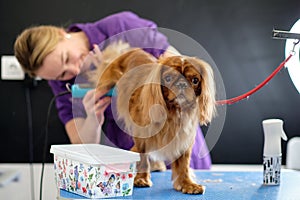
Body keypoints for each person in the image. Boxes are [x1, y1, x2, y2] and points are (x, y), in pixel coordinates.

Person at [14, 11, 211, 169]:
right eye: (62, 75)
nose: (74, 70)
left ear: (61, 34)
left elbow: (182, 78)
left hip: (178, 145)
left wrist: (118, 66)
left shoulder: (120, 26)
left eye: (67, 58)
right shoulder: (65, 85)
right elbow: (81, 143)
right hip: (132, 161)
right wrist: (92, 117)